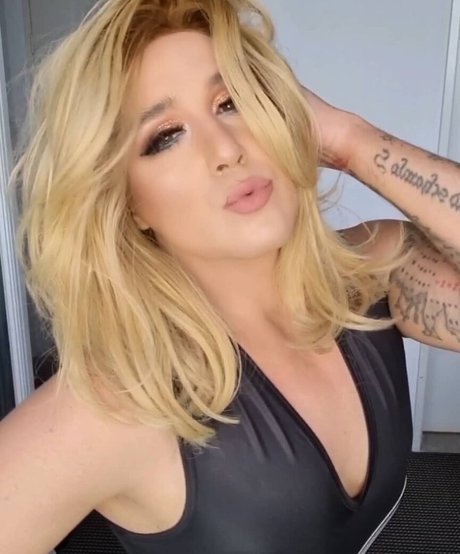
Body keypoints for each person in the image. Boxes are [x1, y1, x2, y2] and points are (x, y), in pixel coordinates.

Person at [1, 0, 459, 553]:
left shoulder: (370, 273)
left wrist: (349, 140)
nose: (227, 149)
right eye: (165, 136)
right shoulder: (116, 406)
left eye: (232, 102)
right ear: (129, 204)